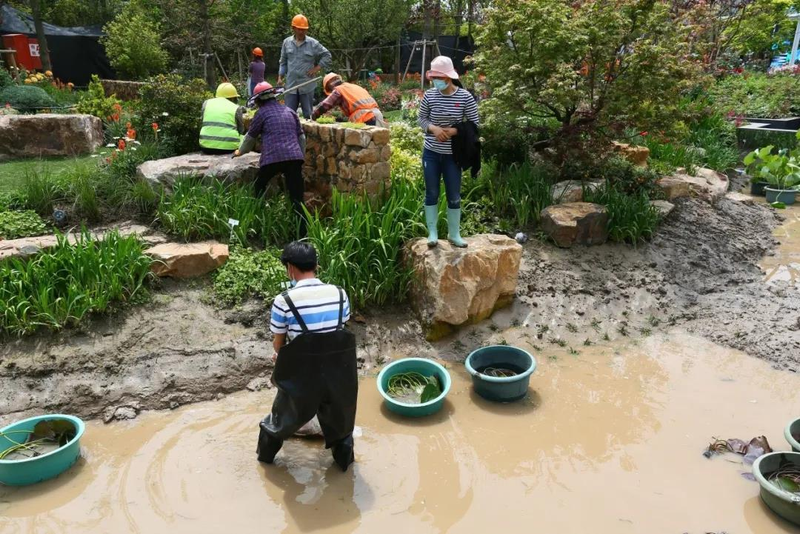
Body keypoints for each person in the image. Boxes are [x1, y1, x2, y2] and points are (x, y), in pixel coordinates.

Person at [257, 241, 357, 471]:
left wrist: (278, 357)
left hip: (302, 378)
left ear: (290, 268)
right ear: (316, 266)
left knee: (277, 424)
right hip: (339, 374)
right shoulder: (340, 294)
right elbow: (338, 330)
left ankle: (264, 465)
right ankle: (344, 471)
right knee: (342, 430)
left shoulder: (284, 301)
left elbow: (279, 344)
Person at [417, 56, 479, 248]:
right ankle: (433, 233)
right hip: (432, 153)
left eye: (439, 77)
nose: (436, 81)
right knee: (431, 193)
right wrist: (433, 129)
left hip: (453, 155)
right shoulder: (430, 96)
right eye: (433, 77)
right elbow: (421, 119)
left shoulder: (464, 97)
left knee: (453, 194)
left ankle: (454, 234)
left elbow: (474, 124)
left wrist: (454, 131)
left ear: (448, 77)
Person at [233, 82, 308, 236]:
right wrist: (300, 156)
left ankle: (259, 218)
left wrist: (240, 151)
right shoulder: (290, 111)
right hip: (294, 158)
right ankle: (303, 234)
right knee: (297, 199)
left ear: (259, 100)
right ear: (274, 96)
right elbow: (302, 138)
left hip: (272, 158)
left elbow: (250, 137)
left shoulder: (261, 114)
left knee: (259, 185)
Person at [277, 14, 331, 119]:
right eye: (299, 29)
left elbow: (327, 55)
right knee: (289, 115)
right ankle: (291, 135)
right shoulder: (286, 43)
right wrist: (280, 77)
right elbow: (283, 62)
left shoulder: (313, 44)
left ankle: (307, 135)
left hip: (307, 85)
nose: (302, 32)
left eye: (304, 29)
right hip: (291, 85)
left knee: (308, 115)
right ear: (293, 28)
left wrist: (317, 68)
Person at [311, 72, 385, 126]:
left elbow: (325, 105)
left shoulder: (339, 90)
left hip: (365, 118)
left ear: (329, 86)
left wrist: (313, 115)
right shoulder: (353, 86)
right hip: (377, 115)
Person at [199, 82, 246, 155]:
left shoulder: (206, 103)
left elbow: (202, 122)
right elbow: (241, 130)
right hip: (229, 148)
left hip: (206, 146)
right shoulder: (236, 108)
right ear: (233, 97)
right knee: (244, 137)